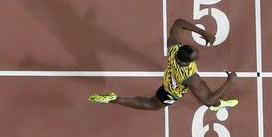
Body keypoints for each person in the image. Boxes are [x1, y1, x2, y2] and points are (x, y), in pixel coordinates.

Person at [88, 18, 239, 111]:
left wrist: (202, 32)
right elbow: (207, 99)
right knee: (153, 104)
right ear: (189, 61)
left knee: (202, 86)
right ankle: (114, 99)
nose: (198, 51)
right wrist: (229, 82)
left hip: (171, 74)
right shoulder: (189, 78)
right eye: (196, 54)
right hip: (172, 89)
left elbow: (178, 23)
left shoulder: (174, 48)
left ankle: (112, 99)